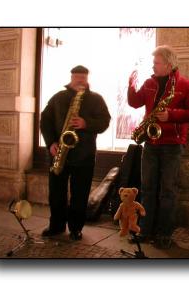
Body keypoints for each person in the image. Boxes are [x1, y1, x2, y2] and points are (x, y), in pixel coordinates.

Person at [127, 45, 189, 249]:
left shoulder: (185, 85)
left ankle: (164, 233)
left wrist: (172, 115)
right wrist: (130, 86)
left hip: (173, 144)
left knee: (168, 190)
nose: (153, 66)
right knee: (148, 189)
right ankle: (145, 230)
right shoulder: (150, 82)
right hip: (151, 143)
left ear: (169, 64)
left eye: (157, 63)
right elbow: (135, 103)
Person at [40, 65, 111, 241]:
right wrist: (50, 143)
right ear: (71, 78)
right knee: (56, 193)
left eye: (84, 78)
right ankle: (56, 226)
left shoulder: (96, 99)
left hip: (84, 155)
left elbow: (105, 121)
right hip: (59, 153)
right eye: (77, 77)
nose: (80, 81)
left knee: (80, 194)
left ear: (88, 79)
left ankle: (76, 228)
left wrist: (86, 123)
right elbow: (45, 121)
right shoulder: (58, 97)